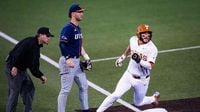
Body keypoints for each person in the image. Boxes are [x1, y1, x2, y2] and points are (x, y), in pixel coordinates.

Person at [97, 24, 159, 112]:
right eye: (144, 33)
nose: (146, 36)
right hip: (128, 75)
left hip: (142, 80)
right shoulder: (133, 40)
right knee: (116, 95)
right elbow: (130, 47)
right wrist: (122, 57)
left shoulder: (152, 49)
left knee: (138, 103)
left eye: (148, 33)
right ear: (139, 34)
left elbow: (150, 66)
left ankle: (153, 99)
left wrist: (139, 60)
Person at [5, 27, 54, 112]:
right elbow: (17, 52)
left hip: (22, 70)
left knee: (29, 88)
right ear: (40, 35)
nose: (49, 38)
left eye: (49, 36)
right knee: (14, 93)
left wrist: (40, 76)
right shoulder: (29, 42)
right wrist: (15, 66)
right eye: (47, 36)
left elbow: (34, 66)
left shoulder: (37, 48)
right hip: (13, 67)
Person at [57, 3, 92, 112]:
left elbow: (79, 46)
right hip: (68, 62)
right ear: (73, 14)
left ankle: (85, 110)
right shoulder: (68, 28)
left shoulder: (78, 28)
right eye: (79, 12)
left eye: (82, 12)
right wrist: (68, 59)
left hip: (77, 63)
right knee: (65, 90)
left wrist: (87, 58)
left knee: (84, 86)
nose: (82, 14)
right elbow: (62, 44)